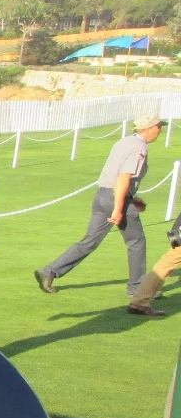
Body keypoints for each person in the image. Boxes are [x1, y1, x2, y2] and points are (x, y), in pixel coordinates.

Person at [34, 114, 162, 300]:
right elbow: (123, 178)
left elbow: (116, 174)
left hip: (102, 195)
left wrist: (133, 198)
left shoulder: (124, 141)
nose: (160, 130)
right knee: (136, 242)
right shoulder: (139, 148)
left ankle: (50, 271)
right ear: (148, 128)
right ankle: (137, 287)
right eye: (158, 126)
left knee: (89, 241)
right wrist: (119, 209)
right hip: (116, 198)